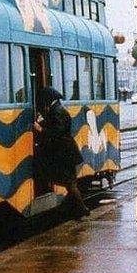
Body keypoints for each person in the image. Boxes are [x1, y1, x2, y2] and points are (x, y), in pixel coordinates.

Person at [33, 87, 90, 218]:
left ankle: (81, 208)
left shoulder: (57, 111)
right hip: (67, 152)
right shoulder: (58, 109)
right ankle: (73, 209)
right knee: (69, 182)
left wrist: (40, 129)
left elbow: (57, 132)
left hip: (65, 153)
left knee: (69, 182)